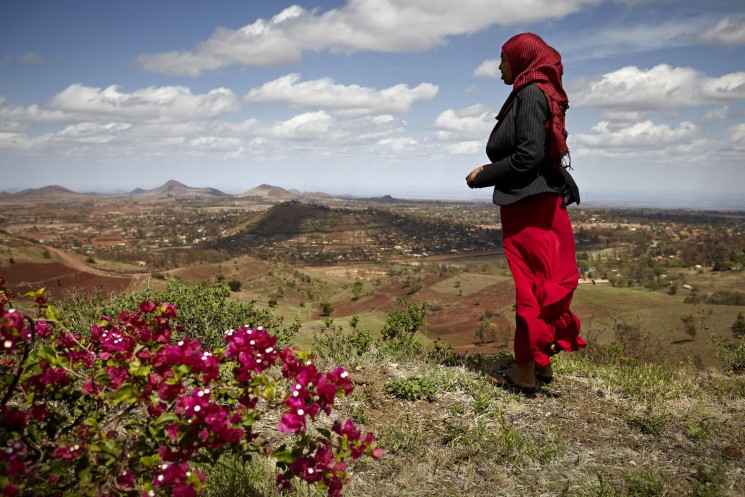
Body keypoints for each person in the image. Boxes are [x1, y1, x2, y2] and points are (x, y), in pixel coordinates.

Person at [466, 32, 585, 394]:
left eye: (503, 59)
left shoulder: (530, 93)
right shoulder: (537, 92)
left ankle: (522, 373)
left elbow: (528, 156)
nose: (499, 67)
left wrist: (483, 175)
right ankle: (541, 365)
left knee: (531, 288)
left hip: (530, 206)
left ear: (520, 60)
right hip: (538, 202)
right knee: (543, 283)